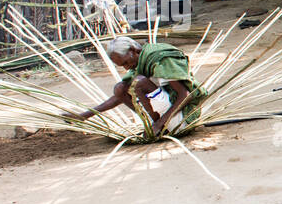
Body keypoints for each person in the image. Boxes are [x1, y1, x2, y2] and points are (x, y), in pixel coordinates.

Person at [70, 36, 207, 137]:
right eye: (122, 66)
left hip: (181, 118)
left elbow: (185, 95)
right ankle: (154, 125)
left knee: (139, 82)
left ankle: (158, 127)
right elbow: (119, 96)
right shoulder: (140, 62)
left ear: (133, 50)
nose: (126, 67)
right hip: (165, 118)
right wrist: (84, 116)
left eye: (126, 62)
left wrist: (159, 125)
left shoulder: (159, 57)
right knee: (120, 88)